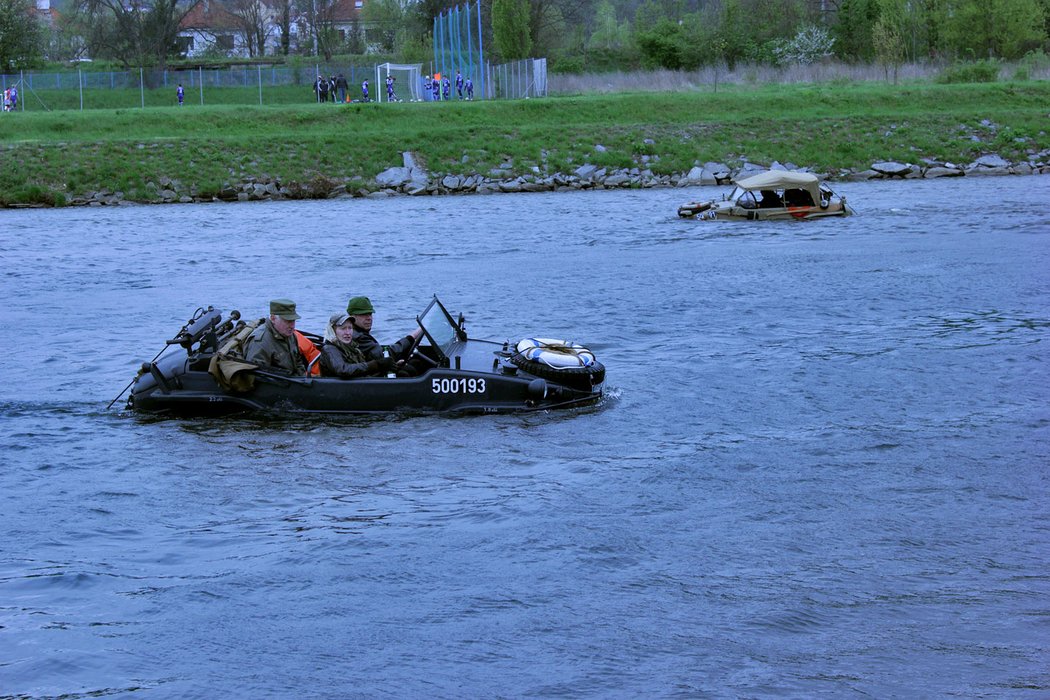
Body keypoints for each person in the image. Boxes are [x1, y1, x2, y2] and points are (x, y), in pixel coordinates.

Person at [345, 296, 423, 366]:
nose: (369, 318)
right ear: (352, 317)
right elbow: (385, 355)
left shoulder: (357, 333)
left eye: (370, 314)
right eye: (363, 314)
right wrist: (411, 337)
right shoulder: (358, 337)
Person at [320, 313, 395, 379]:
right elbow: (343, 370)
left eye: (350, 328)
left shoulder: (353, 347)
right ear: (332, 331)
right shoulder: (330, 349)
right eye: (343, 328)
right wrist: (376, 364)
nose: (347, 332)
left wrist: (386, 367)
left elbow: (361, 372)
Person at [244, 299, 307, 375]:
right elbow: (257, 376)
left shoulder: (290, 335)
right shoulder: (260, 342)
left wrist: (303, 378)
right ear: (273, 318)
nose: (292, 326)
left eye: (293, 321)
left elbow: (298, 362)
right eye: (287, 321)